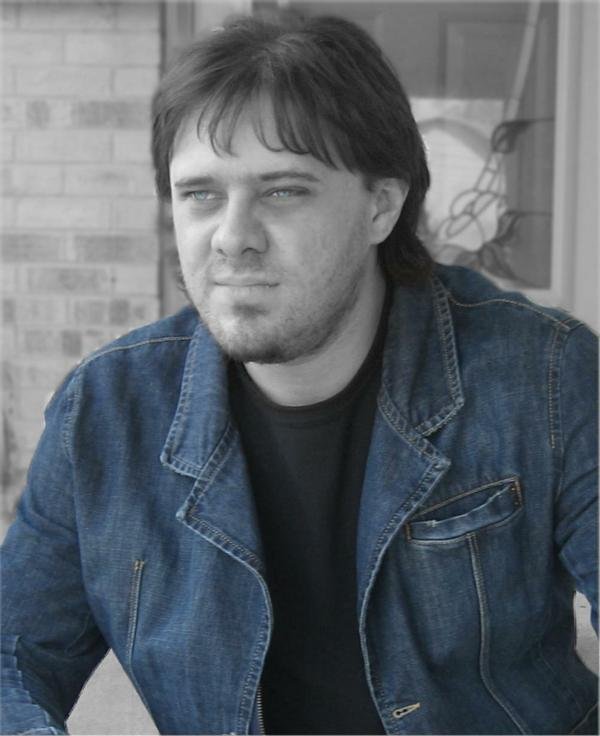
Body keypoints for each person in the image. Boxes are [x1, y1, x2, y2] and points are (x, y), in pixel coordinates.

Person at [1, 12, 597, 736]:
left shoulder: (546, 377)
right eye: (201, 194)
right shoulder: (104, 411)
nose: (233, 239)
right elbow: (12, 655)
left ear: (381, 205)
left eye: (283, 191)